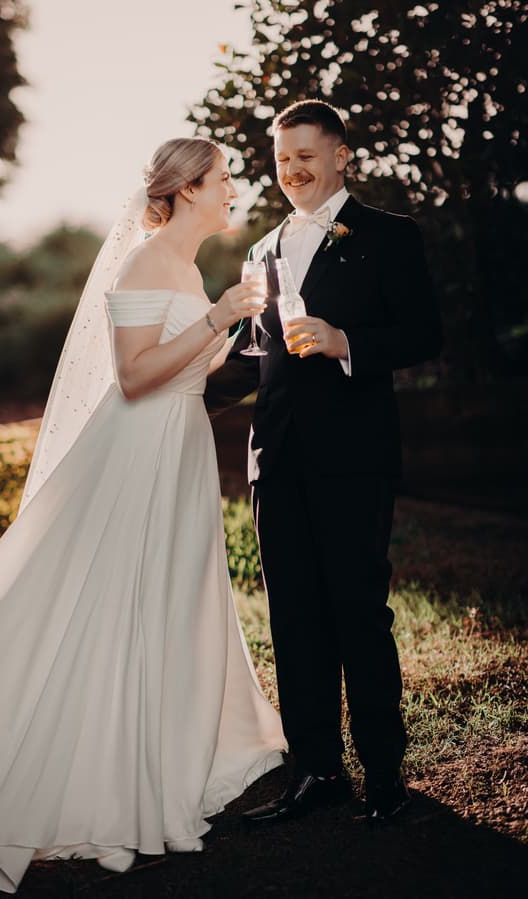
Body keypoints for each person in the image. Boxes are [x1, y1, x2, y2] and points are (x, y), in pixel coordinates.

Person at [0, 137, 286, 894]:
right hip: (138, 452)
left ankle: (152, 760)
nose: (234, 188)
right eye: (224, 177)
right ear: (187, 189)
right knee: (120, 605)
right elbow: (133, 378)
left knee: (164, 604)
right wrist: (220, 315)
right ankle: (108, 787)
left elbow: (188, 367)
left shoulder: (184, 267)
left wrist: (247, 337)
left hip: (178, 445)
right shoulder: (145, 262)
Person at [205, 100, 442, 824]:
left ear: (341, 155)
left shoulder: (389, 236)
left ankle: (383, 774)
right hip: (273, 461)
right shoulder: (261, 251)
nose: (293, 171)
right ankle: (316, 770)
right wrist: (177, 393)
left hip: (354, 459)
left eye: (306, 155)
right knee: (293, 619)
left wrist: (346, 341)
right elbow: (254, 361)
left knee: (356, 613)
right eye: (281, 160)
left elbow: (424, 332)